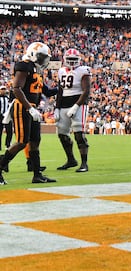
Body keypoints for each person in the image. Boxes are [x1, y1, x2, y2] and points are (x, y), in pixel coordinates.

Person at [0, 42, 56, 184]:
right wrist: (29, 108)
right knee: (22, 141)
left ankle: (37, 174)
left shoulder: (35, 69)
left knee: (35, 141)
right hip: (22, 106)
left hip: (32, 108)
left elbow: (47, 91)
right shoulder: (24, 66)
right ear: (32, 53)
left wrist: (64, 89)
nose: (44, 60)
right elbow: (16, 88)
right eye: (41, 56)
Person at [54, 48, 92, 172]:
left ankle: (84, 164)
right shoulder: (61, 71)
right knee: (62, 134)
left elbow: (86, 91)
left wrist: (76, 106)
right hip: (64, 103)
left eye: (74, 60)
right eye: (69, 59)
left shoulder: (83, 71)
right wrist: (57, 107)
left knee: (79, 134)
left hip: (79, 103)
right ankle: (71, 160)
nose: (71, 62)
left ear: (79, 60)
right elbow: (60, 90)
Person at [0, 85, 12, 149]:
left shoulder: (7, 98)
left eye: (4, 89)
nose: (3, 90)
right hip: (0, 116)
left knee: (9, 131)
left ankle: (8, 144)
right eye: (2, 89)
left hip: (7, 116)